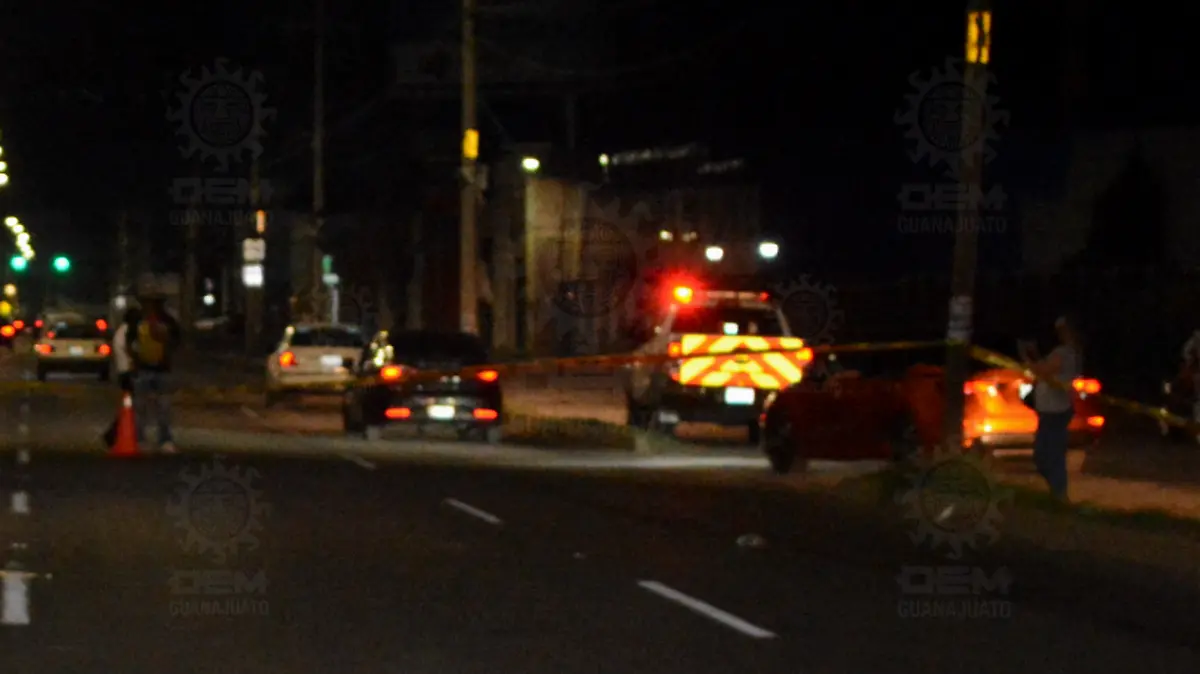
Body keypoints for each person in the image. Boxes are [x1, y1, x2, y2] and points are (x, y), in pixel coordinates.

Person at [1022, 316, 1083, 502]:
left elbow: (1045, 370)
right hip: (1051, 410)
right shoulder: (1067, 353)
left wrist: (1027, 358)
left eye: (1062, 329)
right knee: (1047, 455)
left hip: (1055, 411)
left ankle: (1059, 495)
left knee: (1048, 455)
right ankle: (1057, 494)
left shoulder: (1065, 353)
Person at [129, 295, 181, 453]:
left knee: (163, 407)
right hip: (143, 369)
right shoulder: (137, 321)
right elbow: (130, 342)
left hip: (161, 369)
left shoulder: (167, 321)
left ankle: (164, 439)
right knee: (141, 407)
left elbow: (176, 342)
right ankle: (140, 439)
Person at [102, 307, 141, 447]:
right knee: (131, 407)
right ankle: (114, 434)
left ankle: (115, 433)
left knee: (129, 406)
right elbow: (131, 350)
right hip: (127, 372)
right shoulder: (127, 332)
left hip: (123, 372)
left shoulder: (121, 331)